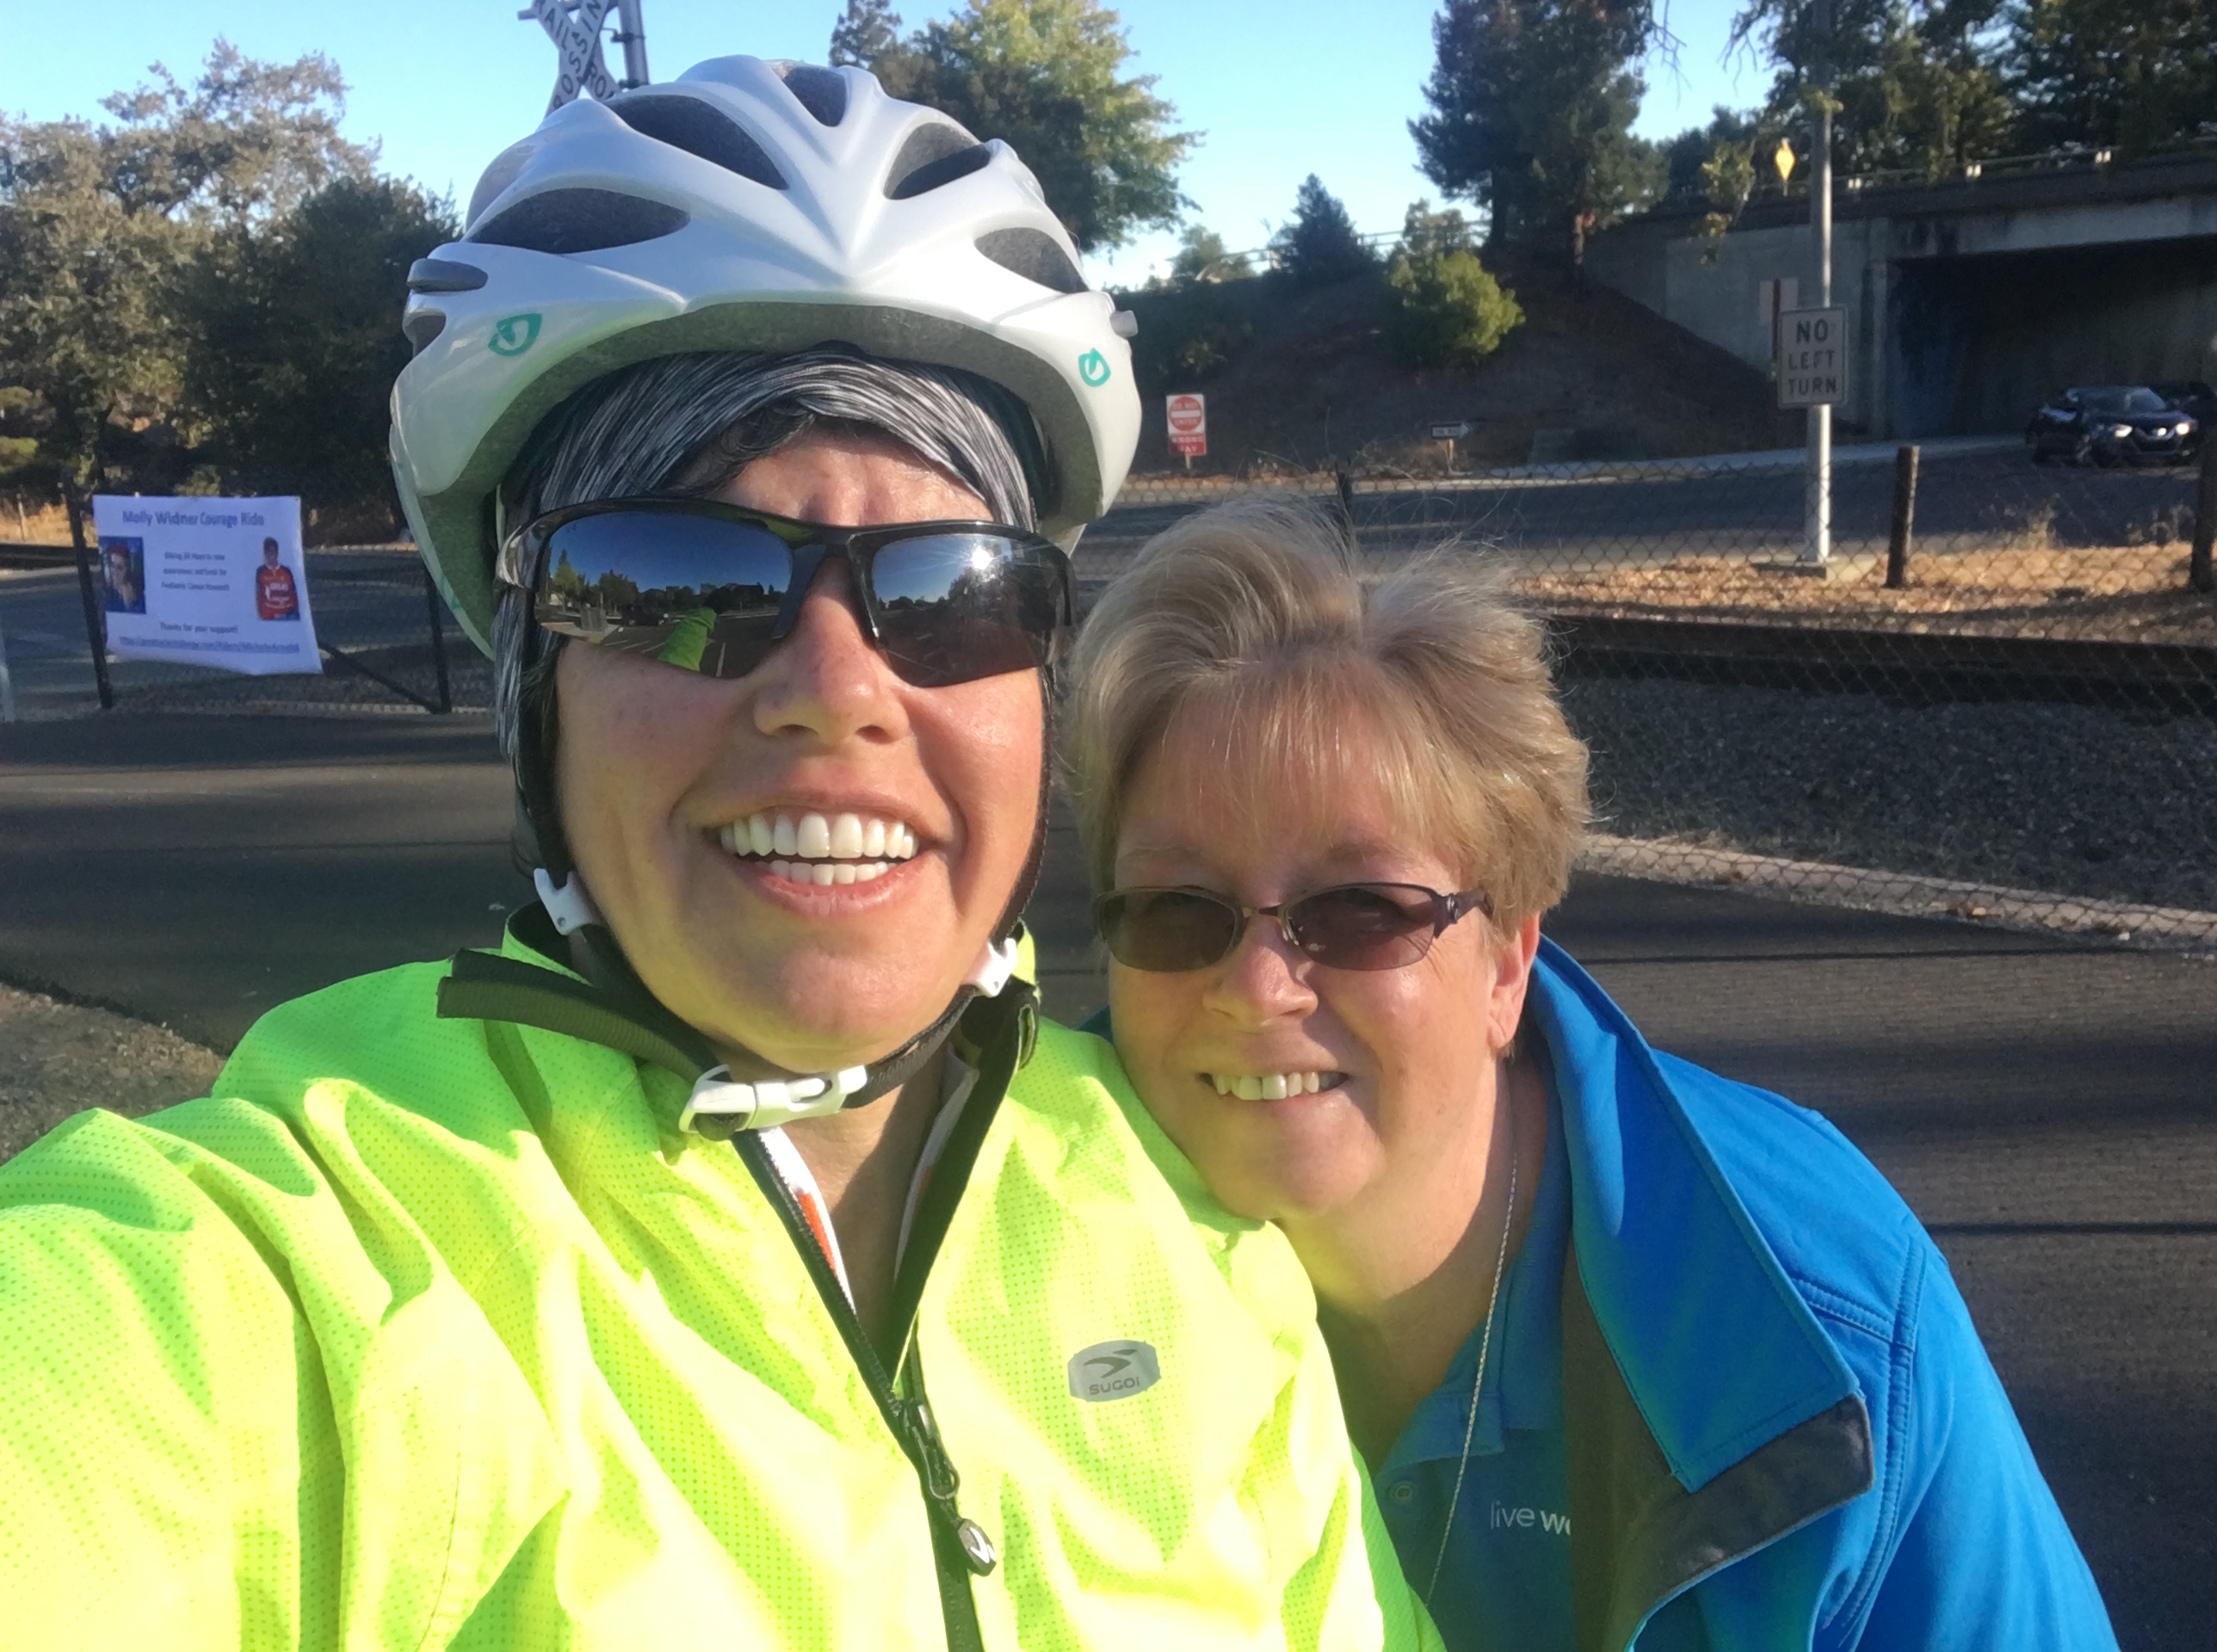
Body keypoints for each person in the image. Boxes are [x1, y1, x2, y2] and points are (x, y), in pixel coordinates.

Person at [0, 62, 1436, 1650]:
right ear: (536, 694)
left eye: (953, 590)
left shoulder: (1189, 1215)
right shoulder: (295, 1264)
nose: (836, 691)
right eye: (679, 581)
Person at [1063, 495, 2118, 1652]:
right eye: (1175, 908)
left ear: (1508, 958)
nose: (1256, 986)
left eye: (1360, 906)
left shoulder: (1822, 1326)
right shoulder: (994, 1248)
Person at [255, 535, 300, 620]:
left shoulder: (286, 571)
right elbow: (258, 596)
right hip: (269, 617)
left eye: (273, 551)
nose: (270, 554)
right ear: (264, 553)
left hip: (289, 615)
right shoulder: (261, 572)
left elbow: (294, 594)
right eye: (268, 551)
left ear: (277, 553)